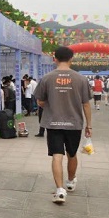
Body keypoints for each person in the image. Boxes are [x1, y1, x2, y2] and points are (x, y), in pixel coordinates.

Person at [34, 46, 92, 204]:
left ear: (55, 59)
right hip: (74, 124)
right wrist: (89, 126)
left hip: (53, 123)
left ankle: (60, 190)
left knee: (57, 155)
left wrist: (52, 102)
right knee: (72, 154)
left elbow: (40, 101)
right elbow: (86, 104)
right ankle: (71, 181)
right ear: (71, 59)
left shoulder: (47, 78)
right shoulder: (81, 79)